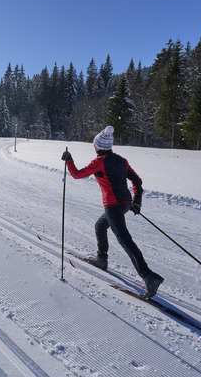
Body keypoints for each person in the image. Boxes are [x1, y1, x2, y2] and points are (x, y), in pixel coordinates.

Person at [61, 126, 164, 299]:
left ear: (98, 146)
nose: (94, 147)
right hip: (125, 203)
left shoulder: (100, 161)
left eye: (94, 145)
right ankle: (102, 259)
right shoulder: (121, 160)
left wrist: (69, 160)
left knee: (124, 239)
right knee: (100, 226)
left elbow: (77, 175)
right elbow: (136, 180)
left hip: (114, 205)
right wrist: (137, 201)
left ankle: (148, 276)